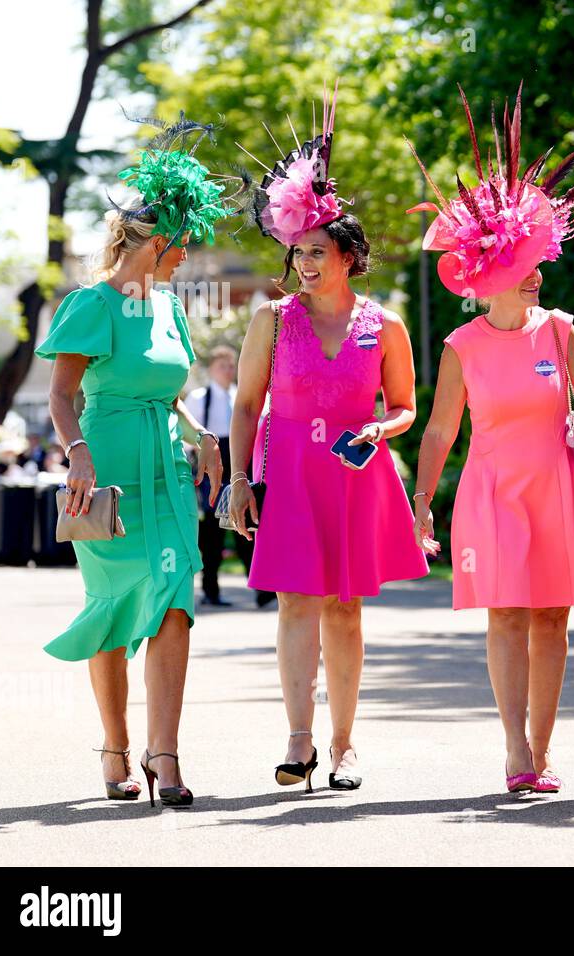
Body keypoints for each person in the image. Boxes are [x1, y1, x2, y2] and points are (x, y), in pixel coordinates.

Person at [410, 86, 574, 793]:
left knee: (553, 620)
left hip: (558, 489)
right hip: (492, 491)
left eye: (540, 260)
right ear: (492, 274)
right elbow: (441, 429)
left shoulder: (560, 328)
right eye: (525, 263)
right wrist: (422, 502)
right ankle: (515, 748)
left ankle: (541, 751)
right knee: (507, 616)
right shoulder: (462, 344)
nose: (539, 271)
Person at [230, 88, 429, 792]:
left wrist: (382, 426)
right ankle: (299, 737)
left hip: (355, 474)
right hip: (287, 472)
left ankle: (345, 746)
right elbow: (247, 404)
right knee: (293, 601)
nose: (306, 263)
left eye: (317, 251)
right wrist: (234, 480)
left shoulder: (388, 324)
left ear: (347, 254)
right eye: (298, 252)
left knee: (346, 607)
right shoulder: (270, 320)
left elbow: (406, 407)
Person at [34, 116, 233, 806]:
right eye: (184, 244)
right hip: (105, 479)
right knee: (115, 611)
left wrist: (199, 433)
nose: (189, 256)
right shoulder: (91, 306)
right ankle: (115, 748)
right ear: (157, 239)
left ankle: (165, 754)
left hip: (169, 474)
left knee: (175, 601)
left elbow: (168, 391)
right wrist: (78, 453)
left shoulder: (173, 307)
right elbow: (62, 396)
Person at [184, 345, 273, 607]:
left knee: (245, 523)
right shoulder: (199, 397)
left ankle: (261, 589)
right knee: (212, 531)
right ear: (212, 369)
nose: (228, 370)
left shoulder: (240, 396)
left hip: (238, 464)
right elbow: (189, 436)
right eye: (222, 365)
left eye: (231, 365)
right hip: (211, 467)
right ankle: (210, 589)